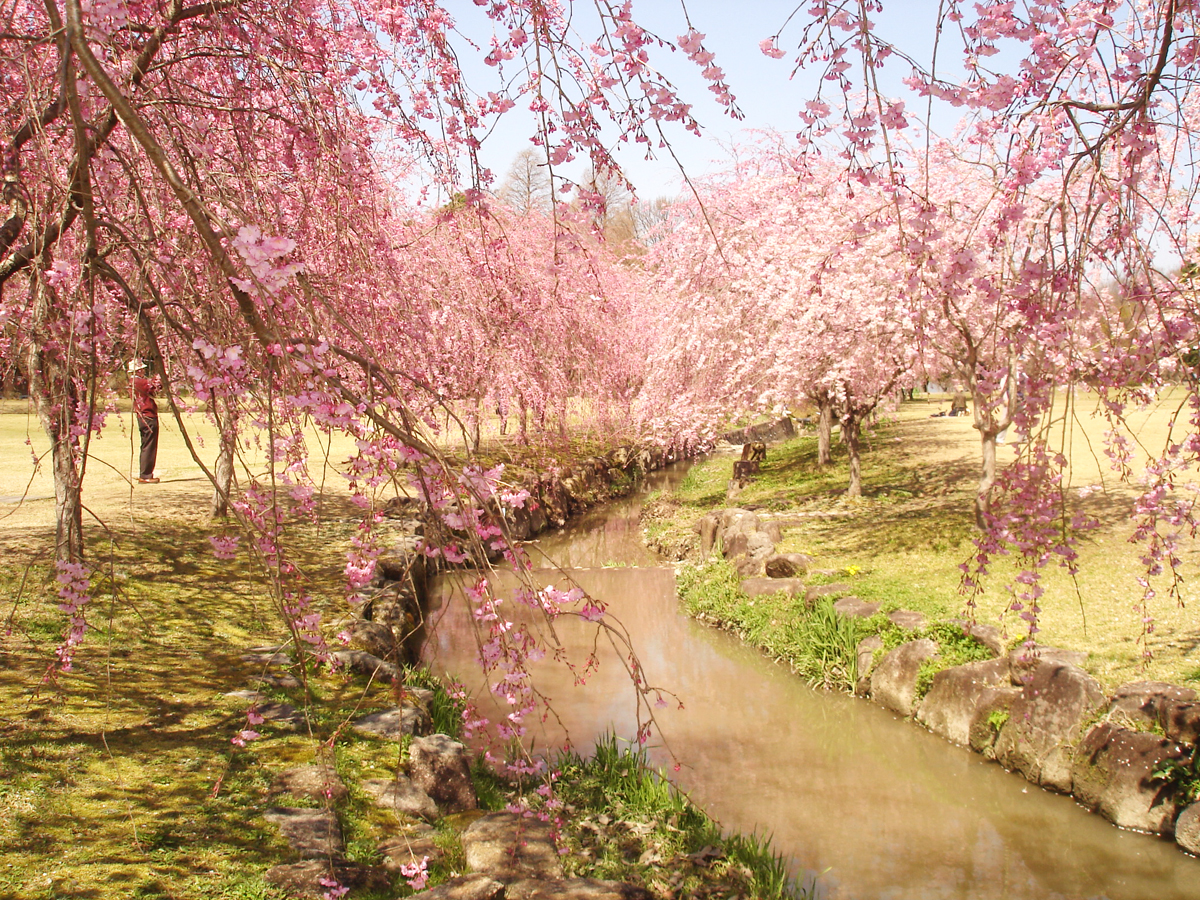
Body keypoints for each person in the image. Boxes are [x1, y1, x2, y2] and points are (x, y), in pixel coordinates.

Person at [129, 359, 160, 483]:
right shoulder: (139, 382)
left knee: (146, 444)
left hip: (142, 415)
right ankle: (146, 474)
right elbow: (153, 387)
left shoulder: (133, 382)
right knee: (149, 445)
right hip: (148, 415)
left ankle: (145, 472)